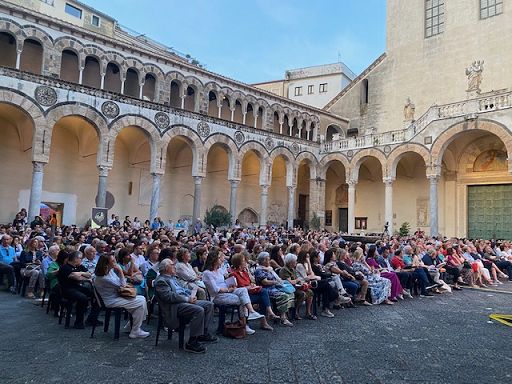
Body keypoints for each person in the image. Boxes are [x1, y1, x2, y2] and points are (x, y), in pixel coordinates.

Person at [154, 258, 217, 354]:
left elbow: (182, 289)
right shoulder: (161, 281)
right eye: (172, 265)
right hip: (174, 306)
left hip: (184, 301)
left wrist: (191, 294)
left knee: (209, 305)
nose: (174, 266)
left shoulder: (172, 277)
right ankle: (192, 342)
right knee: (199, 310)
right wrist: (187, 299)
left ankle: (202, 333)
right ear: (167, 268)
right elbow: (169, 297)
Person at [202, 247, 264, 335]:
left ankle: (251, 312)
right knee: (243, 300)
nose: (222, 260)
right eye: (220, 258)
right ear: (215, 259)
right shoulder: (207, 273)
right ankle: (245, 324)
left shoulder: (219, 270)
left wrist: (231, 283)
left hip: (227, 292)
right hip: (218, 296)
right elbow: (215, 289)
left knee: (243, 291)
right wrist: (228, 289)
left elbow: (225, 280)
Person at [94, 255, 149, 339]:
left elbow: (120, 283)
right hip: (111, 300)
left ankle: (132, 326)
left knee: (141, 299)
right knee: (141, 302)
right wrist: (120, 271)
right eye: (113, 261)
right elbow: (122, 284)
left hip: (117, 296)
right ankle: (135, 330)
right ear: (106, 264)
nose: (115, 262)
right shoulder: (103, 278)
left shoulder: (110, 271)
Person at [230, 252, 279, 330]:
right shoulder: (233, 275)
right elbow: (235, 289)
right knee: (263, 295)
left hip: (250, 293)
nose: (246, 262)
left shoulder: (245, 272)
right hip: (242, 296)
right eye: (243, 261)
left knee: (263, 292)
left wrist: (252, 285)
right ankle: (262, 319)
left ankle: (266, 319)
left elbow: (250, 282)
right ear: (239, 264)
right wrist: (248, 287)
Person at [57, 252, 101, 329]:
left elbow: (89, 274)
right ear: (75, 259)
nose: (81, 260)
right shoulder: (65, 267)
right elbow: (76, 278)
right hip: (68, 289)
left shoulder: (80, 266)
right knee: (82, 298)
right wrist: (82, 275)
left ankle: (91, 318)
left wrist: (80, 273)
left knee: (98, 295)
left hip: (78, 287)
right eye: (80, 258)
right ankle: (78, 322)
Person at [253, 252, 294, 326]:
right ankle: (283, 318)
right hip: (266, 290)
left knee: (290, 293)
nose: (269, 261)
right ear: (264, 261)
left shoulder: (269, 269)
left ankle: (281, 313)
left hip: (274, 288)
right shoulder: (259, 270)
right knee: (283, 295)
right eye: (268, 260)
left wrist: (279, 282)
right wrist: (276, 282)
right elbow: (265, 282)